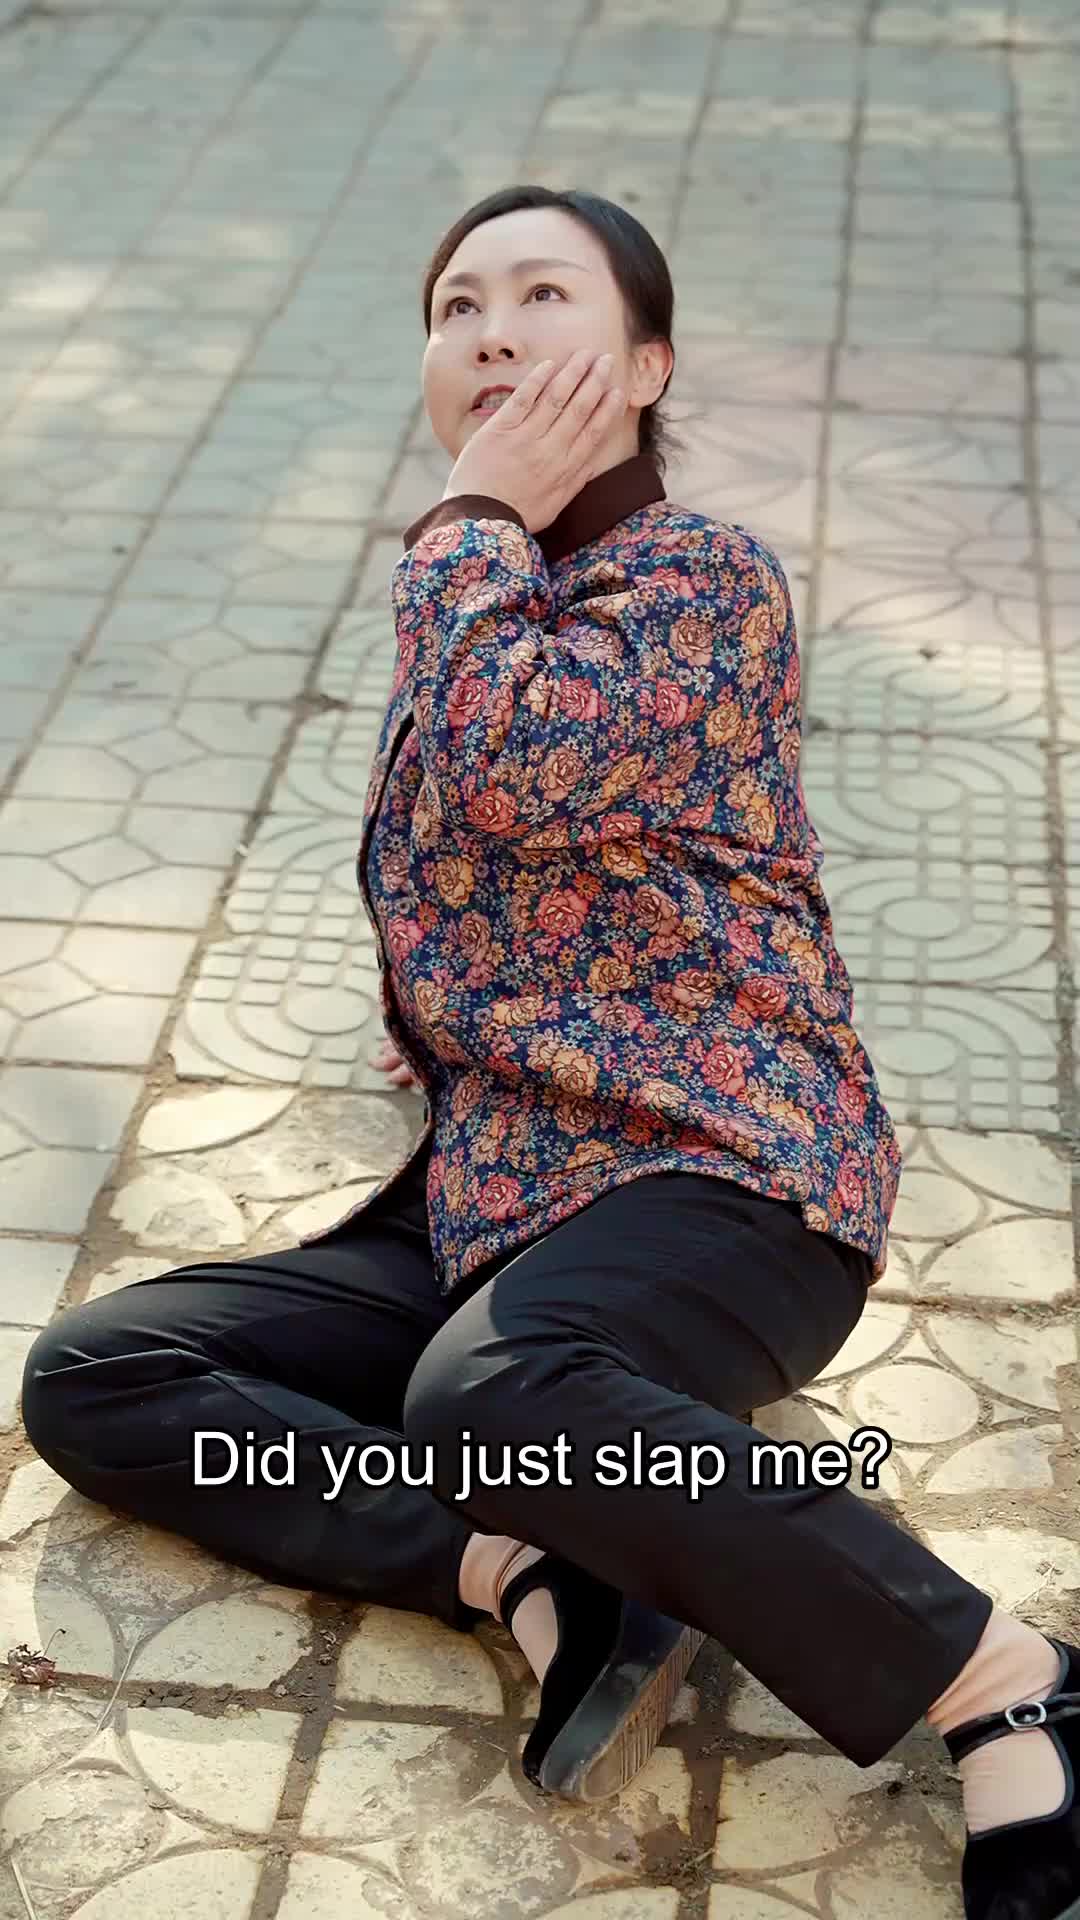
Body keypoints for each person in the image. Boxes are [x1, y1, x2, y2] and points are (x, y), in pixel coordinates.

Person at [20, 186, 1079, 1917]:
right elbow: (482, 864)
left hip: (727, 1177)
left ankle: (999, 1675)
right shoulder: (493, 586)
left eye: (541, 297)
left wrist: (468, 517)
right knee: (106, 1375)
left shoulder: (701, 578)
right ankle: (530, 1566)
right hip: (501, 1191)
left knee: (490, 1391)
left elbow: (517, 769)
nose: (492, 331)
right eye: (457, 307)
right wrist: (443, 1031)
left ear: (647, 367)